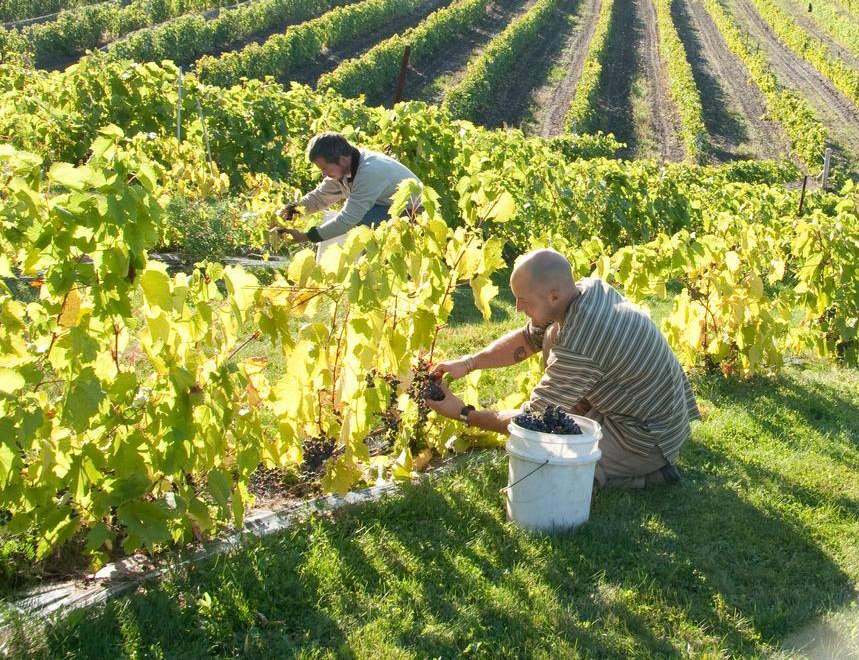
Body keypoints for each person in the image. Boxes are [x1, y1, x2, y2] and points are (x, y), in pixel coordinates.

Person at [425, 248, 701, 489]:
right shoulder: (586, 290)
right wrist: (468, 363)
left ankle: (649, 473)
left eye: (524, 301)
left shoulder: (584, 338)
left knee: (551, 463)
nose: (518, 307)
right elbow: (527, 338)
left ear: (554, 296)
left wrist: (462, 414)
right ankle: (582, 422)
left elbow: (531, 420)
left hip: (646, 436)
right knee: (550, 334)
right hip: (640, 410)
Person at [274, 132, 422, 247]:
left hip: (416, 217)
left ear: (343, 159)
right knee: (355, 223)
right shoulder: (344, 169)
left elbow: (348, 220)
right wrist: (291, 211)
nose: (324, 174)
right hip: (388, 210)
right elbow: (319, 197)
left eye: (325, 168)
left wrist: (305, 237)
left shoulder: (369, 172)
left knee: (360, 222)